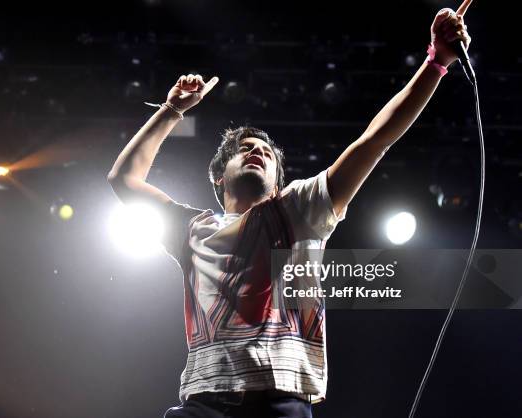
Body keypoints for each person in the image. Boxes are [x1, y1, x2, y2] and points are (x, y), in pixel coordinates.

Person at [107, 7, 471, 418]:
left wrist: (437, 62)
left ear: (279, 182)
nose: (256, 151)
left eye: (265, 152)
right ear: (219, 178)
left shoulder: (300, 209)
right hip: (204, 402)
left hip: (282, 401)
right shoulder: (192, 229)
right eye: (245, 149)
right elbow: (124, 180)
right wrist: (171, 110)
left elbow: (375, 140)